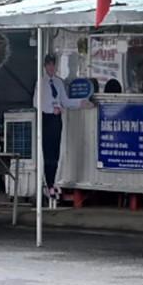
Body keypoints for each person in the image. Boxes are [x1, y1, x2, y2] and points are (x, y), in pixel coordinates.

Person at [34, 52, 91, 202]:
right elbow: (36, 103)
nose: (51, 67)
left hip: (57, 119)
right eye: (49, 65)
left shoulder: (59, 82)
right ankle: (48, 183)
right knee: (47, 152)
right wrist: (49, 108)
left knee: (55, 152)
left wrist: (80, 102)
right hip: (46, 118)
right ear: (45, 66)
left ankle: (53, 182)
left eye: (53, 65)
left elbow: (65, 101)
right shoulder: (40, 82)